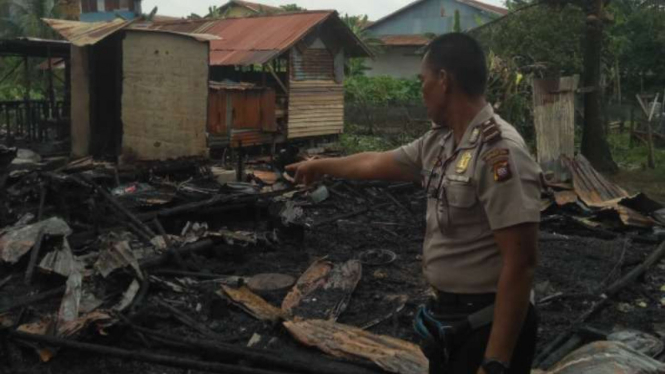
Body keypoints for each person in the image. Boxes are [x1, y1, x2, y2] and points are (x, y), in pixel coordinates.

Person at [286, 33, 541, 374]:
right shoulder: (441, 141)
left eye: (423, 81)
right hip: (450, 319)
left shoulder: (499, 152)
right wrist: (319, 165)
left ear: (444, 81)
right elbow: (375, 162)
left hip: (488, 326)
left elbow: (521, 261)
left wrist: (495, 362)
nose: (421, 91)